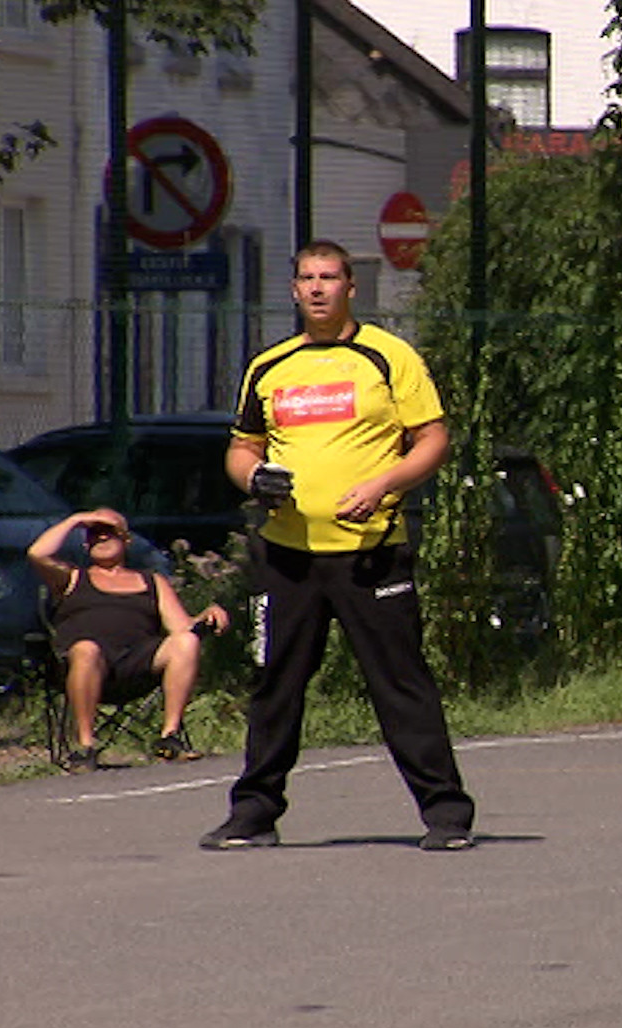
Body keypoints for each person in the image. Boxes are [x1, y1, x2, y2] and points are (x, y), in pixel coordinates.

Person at [199, 239, 476, 852]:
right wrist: (252, 477)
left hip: (369, 551)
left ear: (351, 286)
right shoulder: (269, 366)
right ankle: (253, 813)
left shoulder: (387, 356)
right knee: (276, 681)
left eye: (329, 276)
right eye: (306, 278)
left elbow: (431, 439)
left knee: (400, 682)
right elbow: (241, 448)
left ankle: (446, 813)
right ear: (294, 290)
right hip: (288, 556)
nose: (318, 287)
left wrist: (386, 482)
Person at [27, 508, 229, 772]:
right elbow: (36, 553)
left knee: (186, 643)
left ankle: (170, 737)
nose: (101, 538)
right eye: (94, 534)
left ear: (126, 540)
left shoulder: (152, 581)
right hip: (83, 666)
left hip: (137, 666)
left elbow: (183, 628)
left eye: (109, 532)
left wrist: (207, 614)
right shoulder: (73, 577)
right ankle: (85, 747)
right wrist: (76, 520)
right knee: (87, 649)